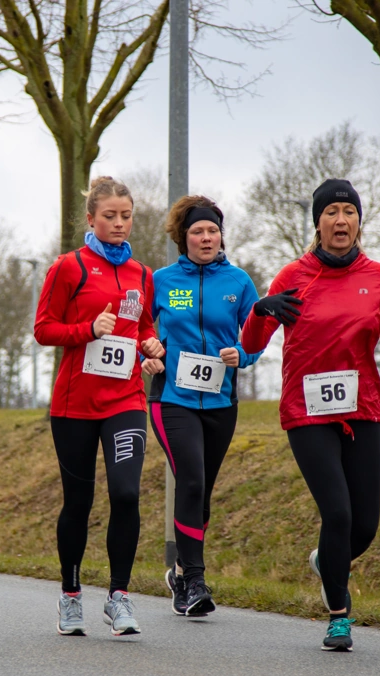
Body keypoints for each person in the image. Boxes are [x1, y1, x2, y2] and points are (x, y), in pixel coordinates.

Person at [240, 178, 380, 652]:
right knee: (338, 512)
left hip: (362, 407)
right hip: (306, 410)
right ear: (318, 223)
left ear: (359, 222)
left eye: (349, 212)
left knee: (364, 525)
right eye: (331, 212)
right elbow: (250, 344)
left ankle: (326, 561)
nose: (341, 220)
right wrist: (262, 310)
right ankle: (338, 616)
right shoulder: (293, 276)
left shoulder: (379, 276)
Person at [34, 175, 164, 637]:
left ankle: (118, 596)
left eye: (126, 216)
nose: (119, 223)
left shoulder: (142, 274)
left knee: (126, 493)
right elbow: (43, 329)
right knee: (79, 501)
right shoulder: (68, 267)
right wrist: (87, 330)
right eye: (110, 216)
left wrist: (152, 346)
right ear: (91, 218)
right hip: (75, 405)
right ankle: (71, 596)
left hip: (125, 400)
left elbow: (144, 327)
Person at [142, 195, 262, 617]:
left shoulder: (239, 282)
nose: (207, 237)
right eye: (198, 231)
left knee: (203, 489)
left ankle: (180, 571)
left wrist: (241, 355)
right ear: (183, 237)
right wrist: (146, 354)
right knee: (190, 479)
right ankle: (195, 580)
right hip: (171, 398)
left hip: (220, 401)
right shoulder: (160, 280)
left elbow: (258, 335)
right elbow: (138, 328)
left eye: (213, 230)